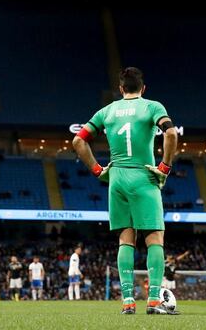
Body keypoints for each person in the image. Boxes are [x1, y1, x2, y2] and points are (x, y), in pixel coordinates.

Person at [73, 67, 179, 315]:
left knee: (125, 239)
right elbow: (171, 133)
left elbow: (78, 141)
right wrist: (164, 166)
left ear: (121, 89)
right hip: (144, 176)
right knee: (154, 239)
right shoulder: (153, 107)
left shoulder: (107, 111)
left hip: (117, 178)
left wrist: (99, 171)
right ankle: (153, 300)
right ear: (143, 88)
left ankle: (128, 301)